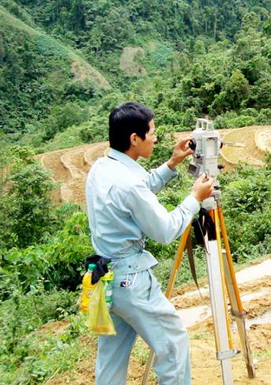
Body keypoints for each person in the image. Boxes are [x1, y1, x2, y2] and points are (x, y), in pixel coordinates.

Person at [85, 102, 214, 385]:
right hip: (131, 282)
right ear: (135, 139)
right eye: (152, 132)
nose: (155, 137)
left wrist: (172, 163)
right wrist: (194, 198)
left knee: (112, 356)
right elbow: (165, 230)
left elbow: (138, 188)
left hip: (106, 278)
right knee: (173, 343)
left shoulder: (102, 168)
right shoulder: (127, 184)